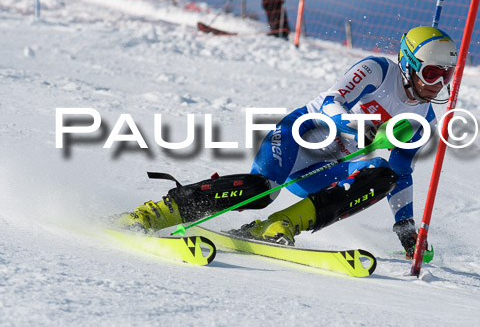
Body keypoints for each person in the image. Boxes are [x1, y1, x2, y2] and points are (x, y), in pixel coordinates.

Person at [114, 26, 459, 258]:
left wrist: (405, 226)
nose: (437, 85)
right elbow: (329, 102)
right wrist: (354, 126)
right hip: (301, 137)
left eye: (445, 75)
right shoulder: (377, 71)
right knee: (259, 189)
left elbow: (402, 169)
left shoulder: (424, 118)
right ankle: (157, 212)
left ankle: (279, 226)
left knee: (382, 175)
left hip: (334, 166)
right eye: (431, 73)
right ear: (409, 64)